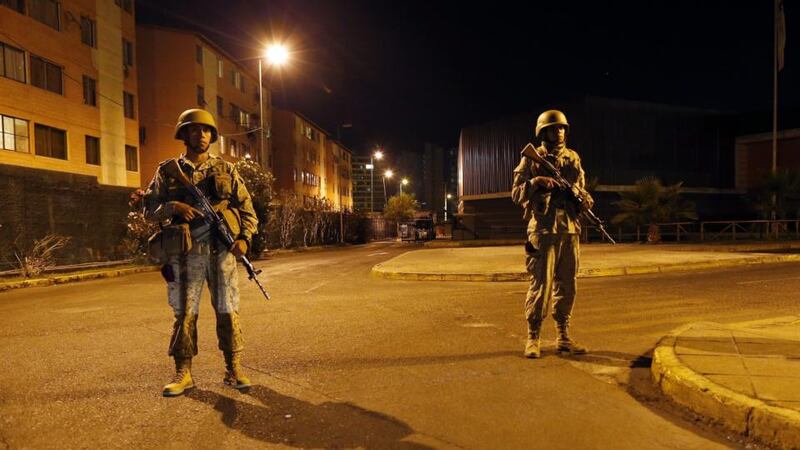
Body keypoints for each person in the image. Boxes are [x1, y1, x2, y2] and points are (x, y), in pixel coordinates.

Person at [144, 108, 258, 396]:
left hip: (222, 251)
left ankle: (234, 368)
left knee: (227, 310)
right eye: (195, 130)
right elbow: (149, 210)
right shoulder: (168, 171)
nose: (202, 135)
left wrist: (244, 238)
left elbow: (247, 209)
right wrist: (173, 207)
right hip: (186, 252)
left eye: (206, 130)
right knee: (184, 314)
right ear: (184, 134)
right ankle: (184, 373)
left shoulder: (226, 170)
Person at [511, 109, 593, 358]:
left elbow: (580, 187)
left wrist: (584, 197)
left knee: (568, 285)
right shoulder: (532, 159)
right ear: (543, 131)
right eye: (553, 127)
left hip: (569, 230)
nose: (559, 132)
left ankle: (563, 336)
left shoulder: (573, 158)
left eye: (562, 128)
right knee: (541, 286)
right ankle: (533, 337)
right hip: (544, 230)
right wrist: (536, 183)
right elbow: (516, 194)